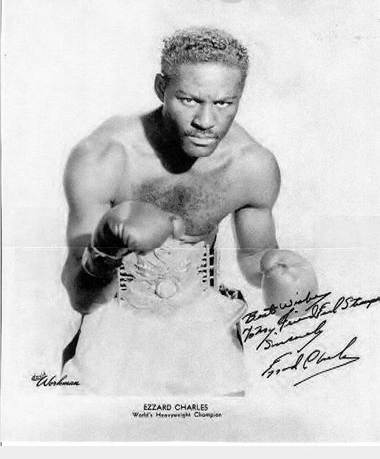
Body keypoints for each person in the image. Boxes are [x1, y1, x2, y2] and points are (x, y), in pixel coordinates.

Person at [61, 27, 317, 396]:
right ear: (161, 88)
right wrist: (105, 248)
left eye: (224, 103)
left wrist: (277, 269)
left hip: (203, 327)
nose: (206, 121)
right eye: (189, 99)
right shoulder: (105, 157)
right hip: (114, 324)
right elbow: (80, 296)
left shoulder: (252, 166)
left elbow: (253, 260)